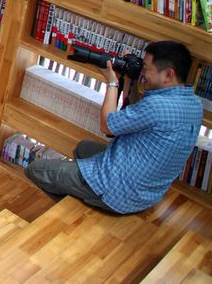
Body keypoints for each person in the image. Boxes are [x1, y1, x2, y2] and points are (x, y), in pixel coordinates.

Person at [25, 41, 202, 214]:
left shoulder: (157, 105)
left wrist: (111, 82)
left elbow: (107, 125)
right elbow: (138, 113)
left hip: (119, 192)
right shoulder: (194, 103)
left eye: (147, 68)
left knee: (36, 169)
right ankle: (80, 194)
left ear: (168, 75)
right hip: (147, 191)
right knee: (82, 148)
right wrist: (128, 80)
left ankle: (76, 210)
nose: (143, 72)